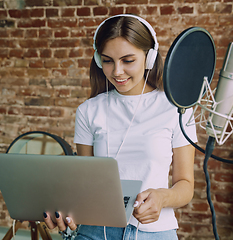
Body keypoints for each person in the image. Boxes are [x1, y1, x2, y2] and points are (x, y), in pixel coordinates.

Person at [43, 14, 197, 240]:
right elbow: (85, 181)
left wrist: (162, 197)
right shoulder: (88, 111)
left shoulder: (176, 109)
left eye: (128, 60)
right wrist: (63, 209)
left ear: (150, 58)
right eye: (107, 60)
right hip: (95, 230)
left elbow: (186, 186)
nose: (117, 71)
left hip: (154, 232)